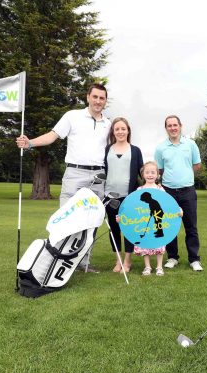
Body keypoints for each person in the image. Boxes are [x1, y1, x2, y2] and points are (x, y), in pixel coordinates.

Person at [15, 83, 110, 273]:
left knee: (91, 220)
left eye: (102, 98)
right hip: (75, 173)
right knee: (67, 218)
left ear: (105, 101)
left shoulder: (108, 123)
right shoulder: (72, 116)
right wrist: (30, 143)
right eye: (95, 97)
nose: (98, 101)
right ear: (88, 97)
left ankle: (82, 264)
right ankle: (56, 260)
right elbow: (52, 136)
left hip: (99, 175)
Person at [154, 115, 203, 272]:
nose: (173, 128)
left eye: (175, 125)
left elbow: (197, 165)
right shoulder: (161, 147)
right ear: (166, 128)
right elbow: (159, 170)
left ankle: (194, 259)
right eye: (169, 125)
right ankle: (172, 257)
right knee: (170, 226)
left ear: (180, 126)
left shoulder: (191, 144)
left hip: (188, 190)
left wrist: (184, 175)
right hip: (168, 191)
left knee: (191, 226)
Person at [103, 117, 143, 273]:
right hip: (109, 196)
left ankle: (127, 261)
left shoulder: (135, 150)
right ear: (113, 131)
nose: (120, 131)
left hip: (129, 196)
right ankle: (118, 260)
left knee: (128, 229)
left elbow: (142, 172)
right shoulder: (107, 149)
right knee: (113, 229)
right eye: (117, 129)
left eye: (123, 129)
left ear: (128, 131)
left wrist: (152, 184)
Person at [130, 161, 168, 276]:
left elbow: (168, 204)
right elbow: (134, 206)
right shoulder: (139, 190)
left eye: (153, 172)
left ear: (157, 174)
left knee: (159, 240)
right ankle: (147, 267)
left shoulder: (160, 190)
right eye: (147, 172)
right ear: (143, 175)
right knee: (145, 241)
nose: (150, 175)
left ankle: (159, 267)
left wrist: (179, 210)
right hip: (144, 218)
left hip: (158, 216)